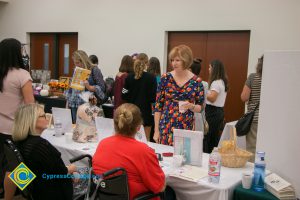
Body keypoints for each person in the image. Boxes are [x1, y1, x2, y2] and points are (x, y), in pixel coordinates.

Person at [92, 103, 165, 200]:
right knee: (170, 192)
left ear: (115, 124)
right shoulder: (143, 151)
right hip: (134, 197)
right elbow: (160, 187)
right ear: (139, 127)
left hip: (105, 196)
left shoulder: (103, 144)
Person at [12, 104, 76, 200]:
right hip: (54, 192)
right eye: (43, 115)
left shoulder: (19, 143)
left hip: (36, 190)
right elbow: (61, 172)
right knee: (87, 176)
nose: (47, 118)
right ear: (32, 120)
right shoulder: (40, 145)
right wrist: (71, 169)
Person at [0, 38, 35, 199]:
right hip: (14, 128)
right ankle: (19, 196)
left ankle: (20, 194)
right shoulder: (22, 74)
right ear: (16, 53)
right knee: (15, 166)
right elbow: (30, 105)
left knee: (5, 164)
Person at [154, 45, 205, 146]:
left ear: (186, 60)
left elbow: (201, 107)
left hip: (186, 127)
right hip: (166, 126)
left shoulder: (196, 81)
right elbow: (158, 106)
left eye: (178, 60)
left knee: (183, 158)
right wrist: (156, 130)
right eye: (172, 60)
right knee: (165, 158)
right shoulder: (165, 78)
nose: (174, 63)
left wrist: (192, 106)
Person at [122, 54, 157, 141]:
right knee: (146, 140)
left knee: (131, 139)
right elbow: (153, 98)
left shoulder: (129, 77)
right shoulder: (151, 78)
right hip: (146, 114)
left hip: (131, 113)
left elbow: (123, 94)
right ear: (147, 63)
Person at [240, 55, 263, 162]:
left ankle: (253, 173)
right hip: (270, 119)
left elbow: (244, 97)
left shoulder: (253, 77)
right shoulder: (275, 79)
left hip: (255, 118)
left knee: (252, 148)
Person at [205, 59, 229, 153]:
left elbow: (212, 98)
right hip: (218, 112)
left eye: (210, 67)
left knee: (210, 136)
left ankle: (209, 156)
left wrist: (204, 91)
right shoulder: (222, 81)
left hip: (212, 112)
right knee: (214, 136)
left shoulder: (216, 83)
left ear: (214, 69)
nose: (208, 69)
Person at [191, 58, 209, 134]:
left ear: (189, 70)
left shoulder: (201, 84)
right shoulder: (205, 84)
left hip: (194, 116)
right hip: (200, 116)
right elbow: (204, 104)